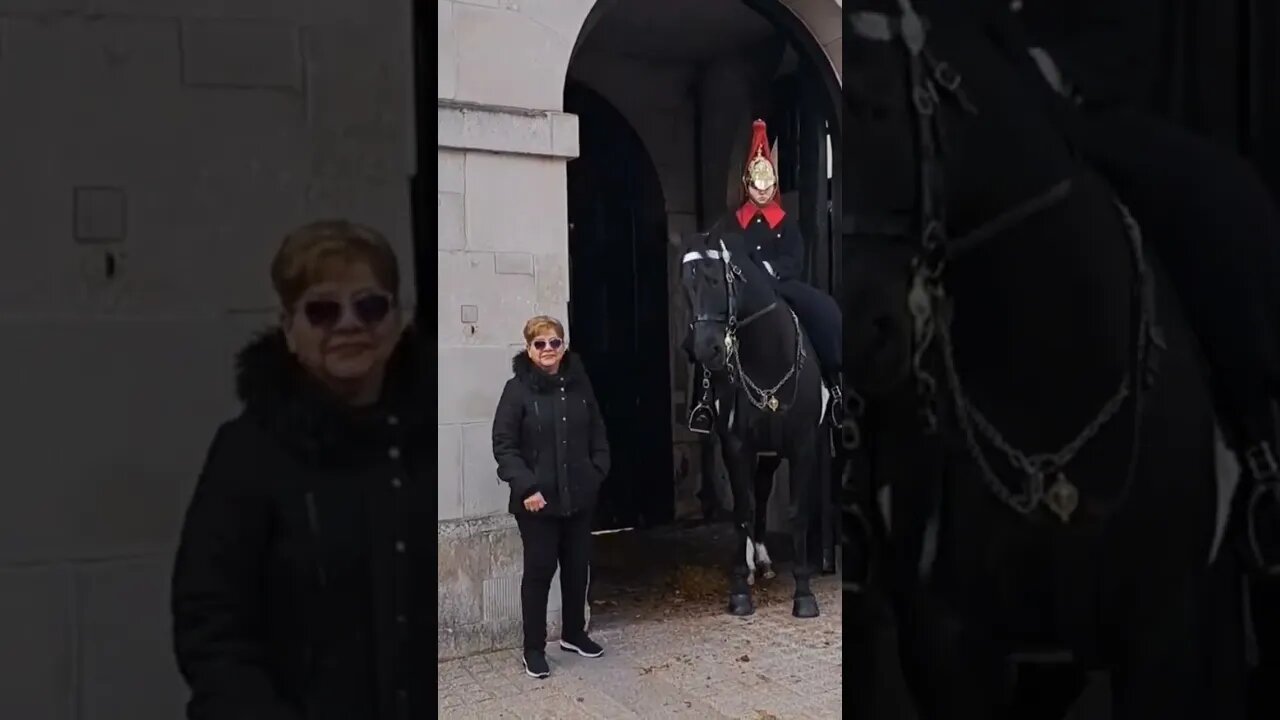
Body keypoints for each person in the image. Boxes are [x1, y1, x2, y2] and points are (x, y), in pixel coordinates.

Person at [985, 0, 1280, 573]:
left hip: (1079, 102)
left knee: (1220, 200)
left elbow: (1126, 29)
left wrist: (1042, 72)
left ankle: (1257, 443)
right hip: (967, 101)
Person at [170, 220, 426, 720]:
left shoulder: (423, 438)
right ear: (290, 329)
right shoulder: (249, 452)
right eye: (323, 311)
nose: (349, 323)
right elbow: (212, 627)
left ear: (396, 321)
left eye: (370, 305)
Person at [686, 118, 845, 434]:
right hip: (740, 293)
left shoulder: (785, 223)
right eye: (756, 187)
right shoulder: (730, 223)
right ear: (748, 185)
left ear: (774, 187)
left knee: (825, 311)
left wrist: (770, 270)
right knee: (705, 330)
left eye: (767, 186)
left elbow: (794, 258)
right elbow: (714, 255)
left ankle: (835, 387)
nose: (761, 192)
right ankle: (703, 401)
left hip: (781, 287)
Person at [491, 315, 611, 679]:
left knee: (577, 569)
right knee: (540, 572)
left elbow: (598, 434)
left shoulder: (579, 386)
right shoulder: (517, 391)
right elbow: (504, 445)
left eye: (554, 342)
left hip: (578, 496)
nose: (548, 350)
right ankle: (533, 648)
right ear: (528, 349)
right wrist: (526, 487)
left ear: (564, 346)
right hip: (537, 503)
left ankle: (574, 634)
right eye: (539, 343)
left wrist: (596, 472)